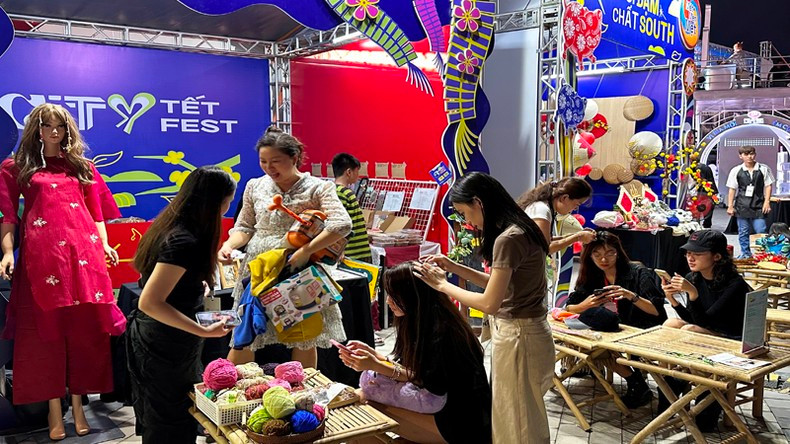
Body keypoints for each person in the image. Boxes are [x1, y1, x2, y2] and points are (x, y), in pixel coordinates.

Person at [0, 103, 125, 440]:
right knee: (45, 334)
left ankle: (80, 407)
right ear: (36, 130)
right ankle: (55, 412)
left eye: (60, 126)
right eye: (47, 126)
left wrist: (105, 245)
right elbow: (8, 215)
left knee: (84, 334)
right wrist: (8, 252)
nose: (54, 132)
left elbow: (96, 213)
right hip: (42, 259)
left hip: (84, 257)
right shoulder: (17, 167)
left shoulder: (81, 167)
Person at [415, 172, 554, 443]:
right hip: (527, 334)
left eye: (465, 212)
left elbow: (490, 302)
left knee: (518, 422)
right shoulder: (521, 229)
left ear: (479, 202)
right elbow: (499, 286)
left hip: (519, 337)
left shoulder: (508, 238)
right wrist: (455, 268)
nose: (468, 222)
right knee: (519, 415)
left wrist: (442, 285)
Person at [218, 127, 352, 367]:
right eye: (263, 161)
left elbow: (342, 224)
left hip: (298, 268)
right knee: (246, 333)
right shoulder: (254, 186)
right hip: (260, 269)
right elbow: (245, 227)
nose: (269, 168)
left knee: (303, 335)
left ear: (294, 157)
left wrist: (305, 251)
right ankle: (236, 391)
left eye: (276, 162)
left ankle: (304, 389)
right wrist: (228, 245)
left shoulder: (318, 187)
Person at [128, 167, 236, 443]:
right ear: (216, 201)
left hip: (164, 339)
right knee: (169, 420)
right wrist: (202, 331)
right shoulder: (182, 240)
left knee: (170, 413)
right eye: (227, 202)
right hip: (163, 342)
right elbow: (150, 302)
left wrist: (195, 282)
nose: (227, 209)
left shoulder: (173, 226)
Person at [340, 262, 491, 444]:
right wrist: (375, 356)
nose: (388, 301)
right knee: (355, 402)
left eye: (394, 295)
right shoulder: (418, 321)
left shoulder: (443, 332)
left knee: (360, 410)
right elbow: (415, 371)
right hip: (443, 412)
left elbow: (426, 382)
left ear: (413, 295)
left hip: (460, 422)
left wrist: (376, 364)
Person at [565, 231, 667, 408]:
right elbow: (569, 307)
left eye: (609, 253)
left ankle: (637, 384)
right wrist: (585, 305)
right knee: (589, 342)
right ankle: (635, 381)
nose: (603, 259)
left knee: (598, 345)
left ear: (618, 252)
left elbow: (657, 311)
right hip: (611, 329)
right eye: (597, 254)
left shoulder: (638, 272)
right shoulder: (592, 275)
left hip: (642, 327)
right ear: (589, 256)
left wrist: (629, 295)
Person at [662, 229, 750, 339]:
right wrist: (672, 300)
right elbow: (692, 319)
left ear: (717, 256)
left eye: (698, 254)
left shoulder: (735, 284)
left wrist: (693, 293)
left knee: (688, 330)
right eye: (688, 253)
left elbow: (706, 323)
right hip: (707, 328)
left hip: (732, 335)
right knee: (672, 323)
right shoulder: (693, 277)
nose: (691, 259)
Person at [517, 178, 596, 253]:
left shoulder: (544, 207)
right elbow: (545, 248)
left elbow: (546, 240)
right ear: (564, 198)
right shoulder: (541, 210)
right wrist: (577, 237)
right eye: (576, 204)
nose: (575, 209)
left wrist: (576, 235)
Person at [726, 145, 774, 258]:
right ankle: (746, 254)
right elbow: (732, 189)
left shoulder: (763, 169)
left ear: (755, 154)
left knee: (760, 230)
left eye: (751, 153)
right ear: (741, 156)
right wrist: (730, 206)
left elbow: (768, 186)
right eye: (746, 154)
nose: (749, 156)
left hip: (758, 204)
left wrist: (767, 202)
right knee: (743, 231)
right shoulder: (736, 170)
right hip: (742, 204)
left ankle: (761, 255)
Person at [332, 153, 372, 262]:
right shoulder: (344, 193)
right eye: (357, 171)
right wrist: (340, 249)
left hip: (353, 252)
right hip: (354, 253)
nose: (358, 175)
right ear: (349, 172)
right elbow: (339, 223)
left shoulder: (334, 191)